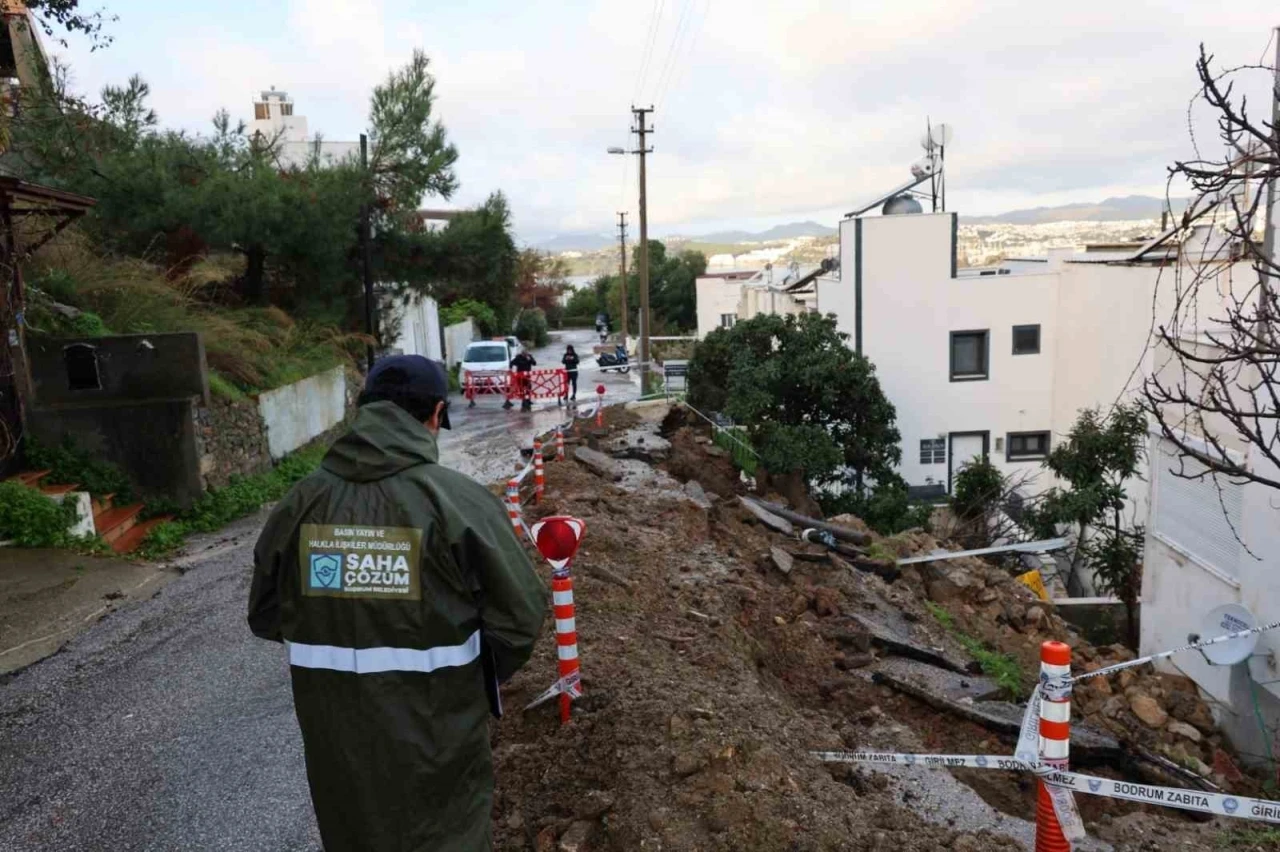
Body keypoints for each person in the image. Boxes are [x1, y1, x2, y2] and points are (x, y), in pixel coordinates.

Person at [248, 355, 547, 852]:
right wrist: (470, 677)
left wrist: (340, 627)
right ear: (433, 415)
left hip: (336, 735)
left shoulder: (301, 502)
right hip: (441, 728)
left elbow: (265, 614)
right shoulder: (458, 501)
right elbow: (520, 617)